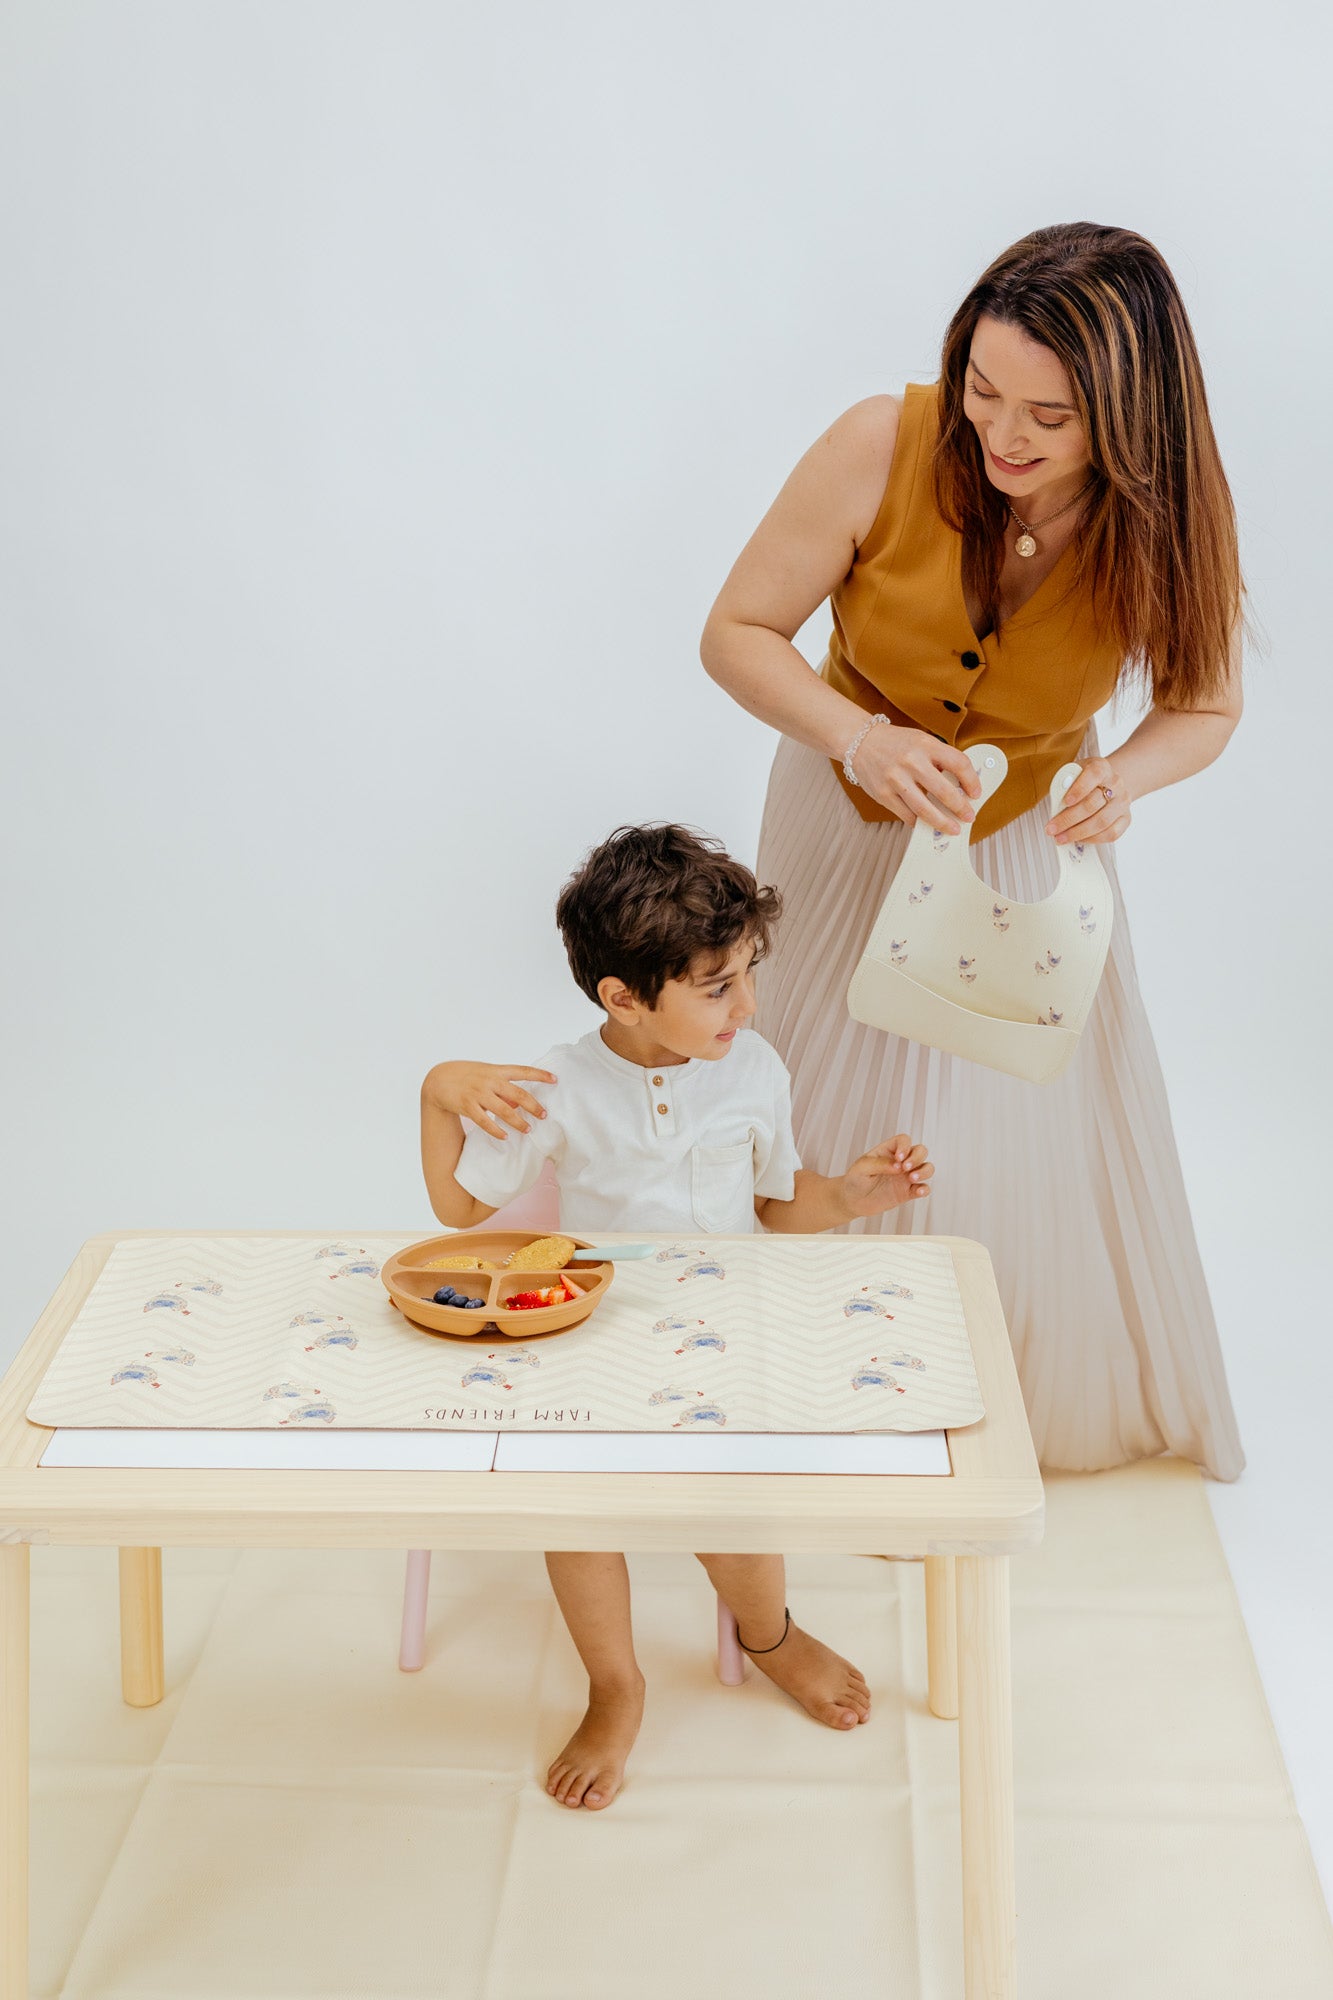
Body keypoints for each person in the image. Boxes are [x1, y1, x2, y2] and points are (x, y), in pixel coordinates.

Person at [700, 221, 1246, 1483]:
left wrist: (1120, 773)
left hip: (1025, 848)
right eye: (984, 390)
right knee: (819, 1090)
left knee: (989, 1115)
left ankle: (965, 1401)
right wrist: (856, 735)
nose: (1002, 432)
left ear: (1130, 416)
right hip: (844, 819)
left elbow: (1204, 704)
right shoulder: (877, 442)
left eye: (1048, 415)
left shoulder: (1166, 513)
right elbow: (737, 630)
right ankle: (803, 1382)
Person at [420, 823, 933, 1809]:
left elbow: (778, 1206)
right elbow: (458, 1210)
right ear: (622, 997)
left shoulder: (755, 1069)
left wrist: (849, 1197)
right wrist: (439, 1090)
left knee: (731, 1499)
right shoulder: (560, 1086)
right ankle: (615, 1685)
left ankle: (769, 1633)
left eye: (747, 973)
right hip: (597, 1329)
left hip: (729, 1324)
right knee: (576, 1507)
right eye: (716, 985)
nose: (746, 1003)